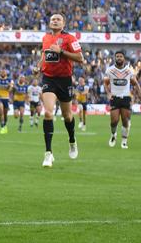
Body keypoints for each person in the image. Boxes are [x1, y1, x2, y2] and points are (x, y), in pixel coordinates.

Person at [36, 13, 84, 168]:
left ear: (63, 23)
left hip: (64, 80)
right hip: (48, 79)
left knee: (67, 116)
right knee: (48, 113)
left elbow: (80, 58)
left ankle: (72, 140)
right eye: (52, 19)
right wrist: (39, 66)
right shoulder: (45, 38)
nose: (54, 21)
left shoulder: (70, 38)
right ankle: (48, 154)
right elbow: (44, 55)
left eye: (58, 19)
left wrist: (61, 52)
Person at [103, 51, 141, 149]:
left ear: (124, 58)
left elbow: (135, 83)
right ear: (115, 58)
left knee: (125, 121)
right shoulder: (110, 70)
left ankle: (124, 141)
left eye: (120, 56)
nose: (119, 58)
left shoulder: (129, 71)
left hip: (126, 97)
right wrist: (108, 93)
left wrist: (140, 92)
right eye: (117, 56)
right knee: (114, 121)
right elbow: (105, 83)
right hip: (115, 97)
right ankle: (113, 135)